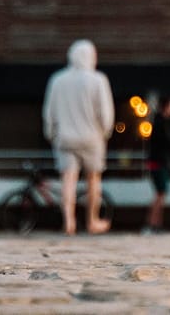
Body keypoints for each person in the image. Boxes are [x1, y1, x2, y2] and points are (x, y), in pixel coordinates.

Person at [41, 38, 116, 235]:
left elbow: (49, 112)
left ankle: (69, 222)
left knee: (68, 179)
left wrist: (51, 134)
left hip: (65, 139)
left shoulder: (57, 80)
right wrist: (105, 133)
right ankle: (92, 221)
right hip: (92, 139)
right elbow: (106, 113)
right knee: (93, 180)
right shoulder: (98, 79)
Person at [141, 94, 170, 234]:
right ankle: (152, 224)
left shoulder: (159, 121)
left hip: (158, 162)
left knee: (160, 194)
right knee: (160, 194)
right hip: (158, 162)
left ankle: (155, 224)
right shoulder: (161, 121)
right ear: (167, 106)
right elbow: (168, 141)